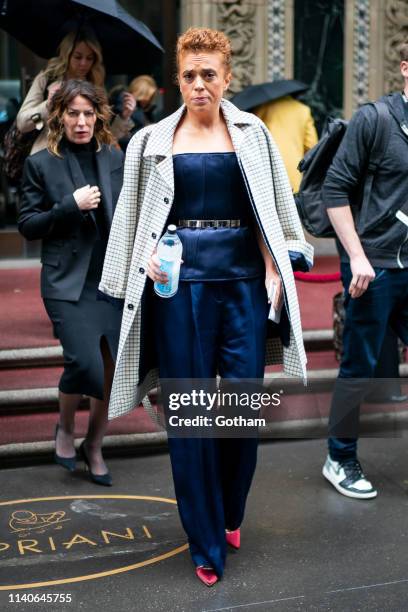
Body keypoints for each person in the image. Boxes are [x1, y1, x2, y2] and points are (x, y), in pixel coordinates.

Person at [99, 27, 313, 584]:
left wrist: (274, 269)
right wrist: (140, 259)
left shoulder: (253, 133)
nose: (199, 85)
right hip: (178, 288)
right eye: (189, 75)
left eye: (209, 75)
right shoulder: (151, 140)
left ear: (226, 78)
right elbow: (131, 216)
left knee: (242, 409)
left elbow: (269, 207)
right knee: (192, 416)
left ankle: (230, 509)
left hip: (243, 283)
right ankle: (204, 541)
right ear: (178, 78)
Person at [18, 80, 124, 486]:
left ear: (98, 115)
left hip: (111, 277)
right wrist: (69, 206)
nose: (81, 122)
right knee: (84, 362)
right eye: (73, 113)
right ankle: (65, 427)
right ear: (59, 116)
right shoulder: (41, 163)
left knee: (110, 368)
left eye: (88, 113)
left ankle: (94, 444)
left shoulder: (115, 155)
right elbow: (28, 225)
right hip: (67, 283)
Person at [321, 42, 408, 499]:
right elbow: (334, 191)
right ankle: (340, 457)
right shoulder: (375, 119)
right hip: (373, 266)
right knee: (358, 367)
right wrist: (356, 256)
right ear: (405, 68)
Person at [16, 29, 135, 156]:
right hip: (50, 158)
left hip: (87, 160)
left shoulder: (95, 84)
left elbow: (105, 135)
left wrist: (124, 117)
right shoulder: (48, 78)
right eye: (78, 57)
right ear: (67, 55)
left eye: (89, 58)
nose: (83, 63)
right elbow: (23, 124)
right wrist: (47, 105)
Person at [253, 95, 318, 192]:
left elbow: (253, 135)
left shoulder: (263, 107)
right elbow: (312, 146)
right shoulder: (303, 110)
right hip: (294, 172)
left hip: (266, 170)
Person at [108, 75, 163, 151]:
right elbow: (119, 134)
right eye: (148, 95)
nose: (149, 99)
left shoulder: (146, 110)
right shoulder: (127, 105)